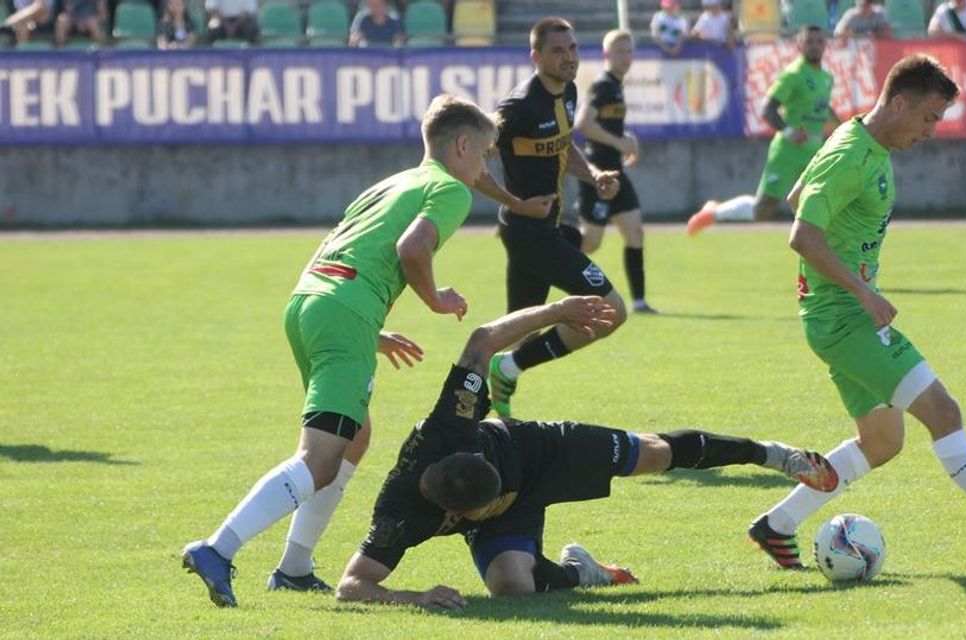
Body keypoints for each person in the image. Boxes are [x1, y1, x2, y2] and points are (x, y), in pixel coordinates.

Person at [746, 54, 966, 570]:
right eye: (928, 117)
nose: (931, 131)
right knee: (943, 412)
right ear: (898, 103)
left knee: (881, 443)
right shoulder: (852, 154)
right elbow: (802, 233)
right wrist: (863, 291)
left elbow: (798, 196)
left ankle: (777, 525)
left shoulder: (858, 141)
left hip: (834, 316)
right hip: (844, 318)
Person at [181, 94, 499, 608]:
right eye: (484, 153)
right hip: (343, 313)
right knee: (320, 459)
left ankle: (294, 568)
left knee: (354, 436)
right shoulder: (449, 189)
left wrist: (367, 330)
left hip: (309, 302)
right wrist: (437, 300)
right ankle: (218, 549)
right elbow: (412, 250)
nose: (483, 166)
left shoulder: (391, 183)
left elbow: (339, 248)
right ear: (462, 145)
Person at [334, 296, 840, 607]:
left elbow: (483, 338)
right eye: (485, 509)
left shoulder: (453, 422)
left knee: (656, 454)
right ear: (453, 515)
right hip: (501, 502)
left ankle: (773, 455)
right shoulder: (399, 515)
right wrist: (415, 598)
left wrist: (557, 312)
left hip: (538, 451)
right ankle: (585, 571)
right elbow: (352, 585)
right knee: (512, 587)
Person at [474, 17, 625, 419]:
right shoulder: (519, 107)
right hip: (529, 233)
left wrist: (592, 174)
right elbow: (472, 162)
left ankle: (477, 419)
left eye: (573, 48)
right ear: (536, 56)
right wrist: (516, 202)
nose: (569, 57)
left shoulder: (569, 92)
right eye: (558, 51)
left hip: (544, 227)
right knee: (612, 311)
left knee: (517, 330)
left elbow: (563, 144)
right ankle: (508, 370)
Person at [687, 25, 836, 234]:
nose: (815, 46)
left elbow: (823, 106)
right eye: (809, 42)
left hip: (814, 152)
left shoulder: (827, 78)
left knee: (822, 204)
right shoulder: (793, 75)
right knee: (763, 210)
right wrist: (790, 132)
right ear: (799, 45)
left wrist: (845, 128)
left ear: (825, 45)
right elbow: (767, 110)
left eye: (819, 42)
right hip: (788, 152)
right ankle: (714, 212)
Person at [573, 30, 656, 315]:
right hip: (598, 174)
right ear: (607, 55)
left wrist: (626, 139)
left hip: (617, 172)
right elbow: (583, 124)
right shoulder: (604, 85)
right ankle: (549, 252)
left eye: (630, 51)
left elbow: (605, 127)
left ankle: (640, 302)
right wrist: (621, 142)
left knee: (634, 232)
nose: (626, 57)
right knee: (590, 242)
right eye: (620, 51)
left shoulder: (616, 86)